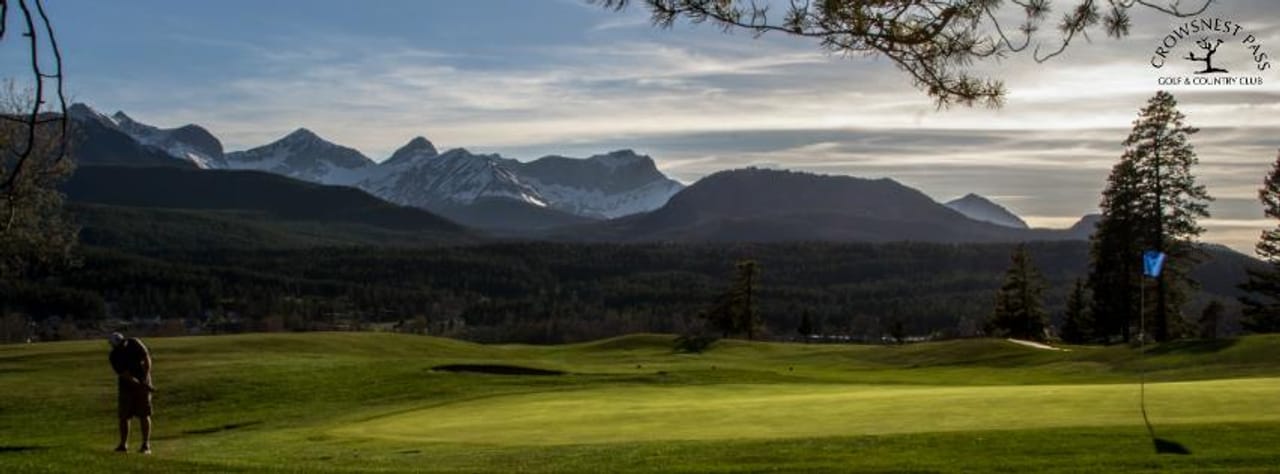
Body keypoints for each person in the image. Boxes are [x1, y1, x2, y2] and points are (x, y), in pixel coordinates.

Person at [108, 332, 154, 454]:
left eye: (122, 343)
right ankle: (123, 445)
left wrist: (145, 378)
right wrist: (139, 384)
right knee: (124, 416)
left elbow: (146, 358)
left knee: (144, 414)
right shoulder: (114, 356)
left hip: (144, 378)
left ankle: (145, 445)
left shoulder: (135, 343)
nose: (122, 346)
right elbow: (125, 375)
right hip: (126, 386)